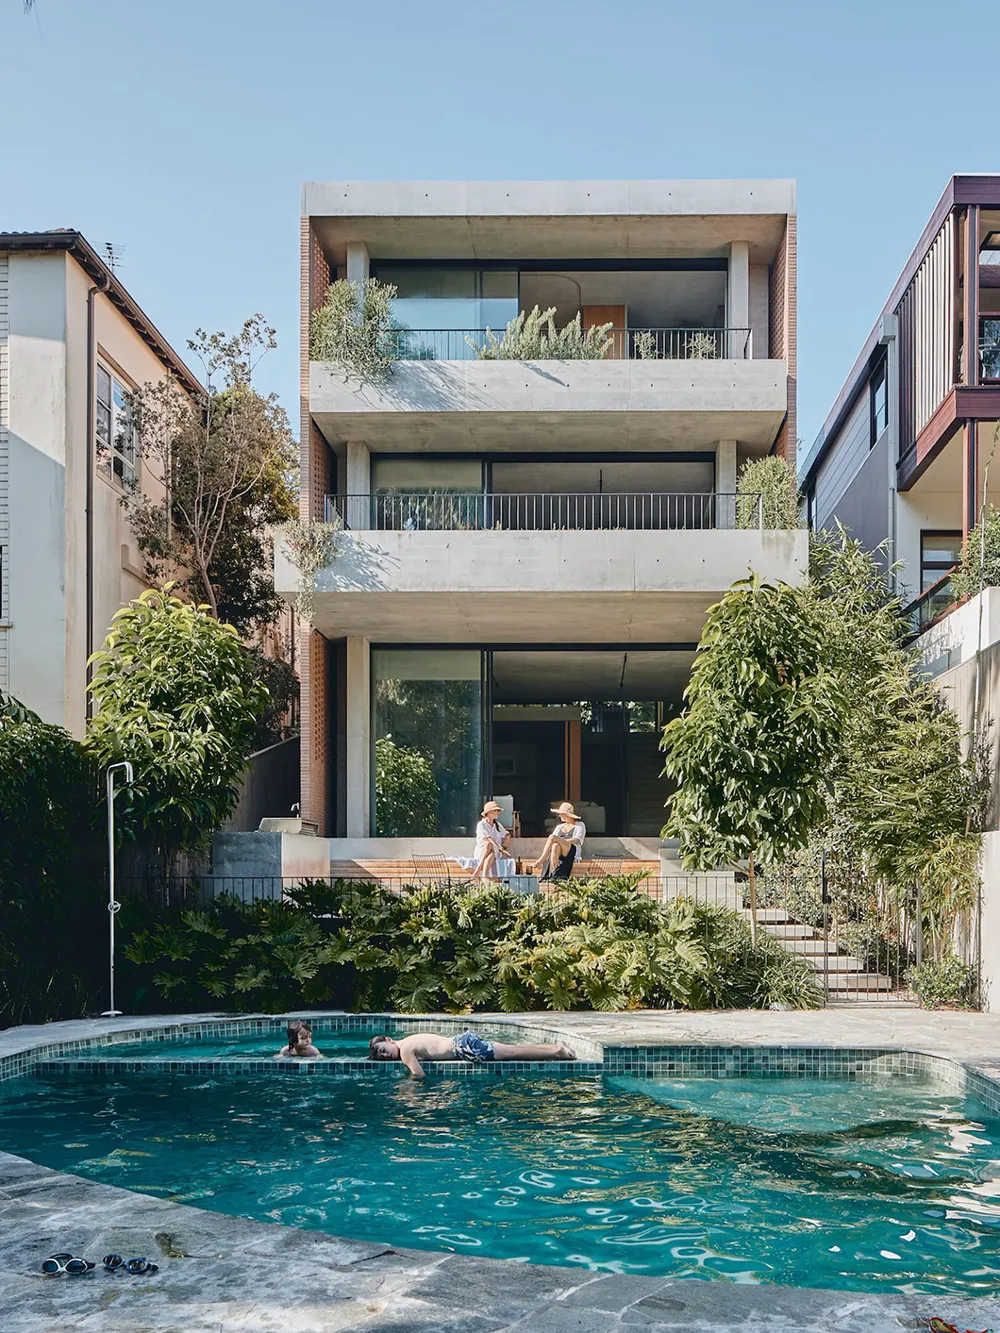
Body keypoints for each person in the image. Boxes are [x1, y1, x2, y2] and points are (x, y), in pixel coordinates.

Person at [368, 1031, 576, 1079]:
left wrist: (406, 1093)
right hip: (462, 1042)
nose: (387, 1056)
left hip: (463, 1048)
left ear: (389, 1040)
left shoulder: (405, 1050)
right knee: (512, 1049)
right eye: (383, 1057)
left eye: (384, 1051)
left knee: (512, 1052)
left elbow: (418, 1075)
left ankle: (558, 1052)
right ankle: (555, 1048)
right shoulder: (408, 1040)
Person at [530, 801, 586, 881]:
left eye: (561, 813)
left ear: (567, 814)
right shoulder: (559, 827)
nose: (559, 815)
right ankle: (554, 875)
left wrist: (562, 841)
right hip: (559, 850)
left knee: (552, 837)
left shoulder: (579, 825)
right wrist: (559, 842)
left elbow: (577, 840)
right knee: (555, 845)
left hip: (571, 849)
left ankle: (540, 861)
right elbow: (554, 841)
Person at [471, 800, 510, 879]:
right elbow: (489, 839)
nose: (497, 813)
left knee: (492, 853)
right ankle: (481, 870)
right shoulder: (481, 824)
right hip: (482, 851)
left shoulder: (497, 825)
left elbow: (507, 834)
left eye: (498, 811)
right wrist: (500, 849)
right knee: (489, 844)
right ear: (490, 812)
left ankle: (482, 874)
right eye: (496, 811)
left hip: (495, 852)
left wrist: (504, 846)